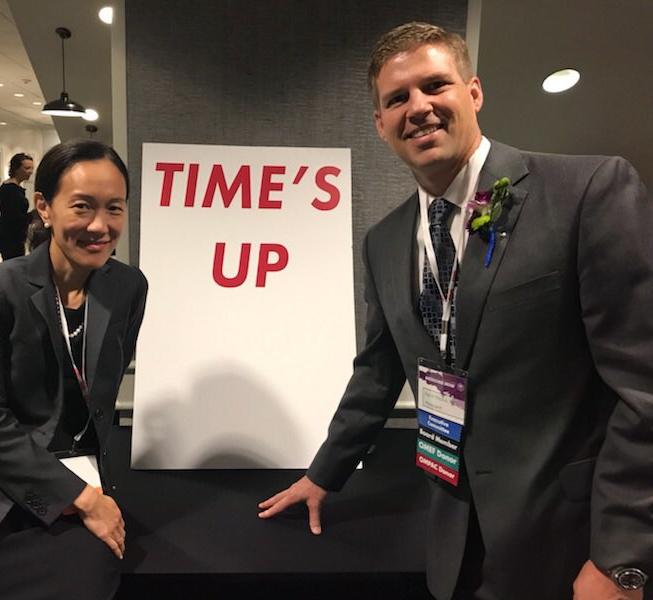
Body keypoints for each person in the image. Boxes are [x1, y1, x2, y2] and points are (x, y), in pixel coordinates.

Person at [258, 22, 653, 600]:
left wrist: (621, 559)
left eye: (434, 86)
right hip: (453, 540)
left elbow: (642, 387)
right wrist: (325, 473)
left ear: (473, 93)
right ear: (380, 125)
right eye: (397, 99)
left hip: (570, 546)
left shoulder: (587, 191)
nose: (418, 108)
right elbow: (377, 370)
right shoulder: (385, 240)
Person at [0, 139, 147, 600]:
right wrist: (82, 497)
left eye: (114, 208)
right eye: (82, 206)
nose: (101, 225)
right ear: (45, 207)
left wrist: (88, 486)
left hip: (76, 477)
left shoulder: (129, 287)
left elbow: (100, 392)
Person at [0, 152, 34, 260]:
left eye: (31, 168)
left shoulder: (13, 188)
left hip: (14, 238)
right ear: (16, 168)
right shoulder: (11, 190)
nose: (30, 172)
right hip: (11, 239)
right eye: (27, 168)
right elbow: (13, 219)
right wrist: (32, 215)